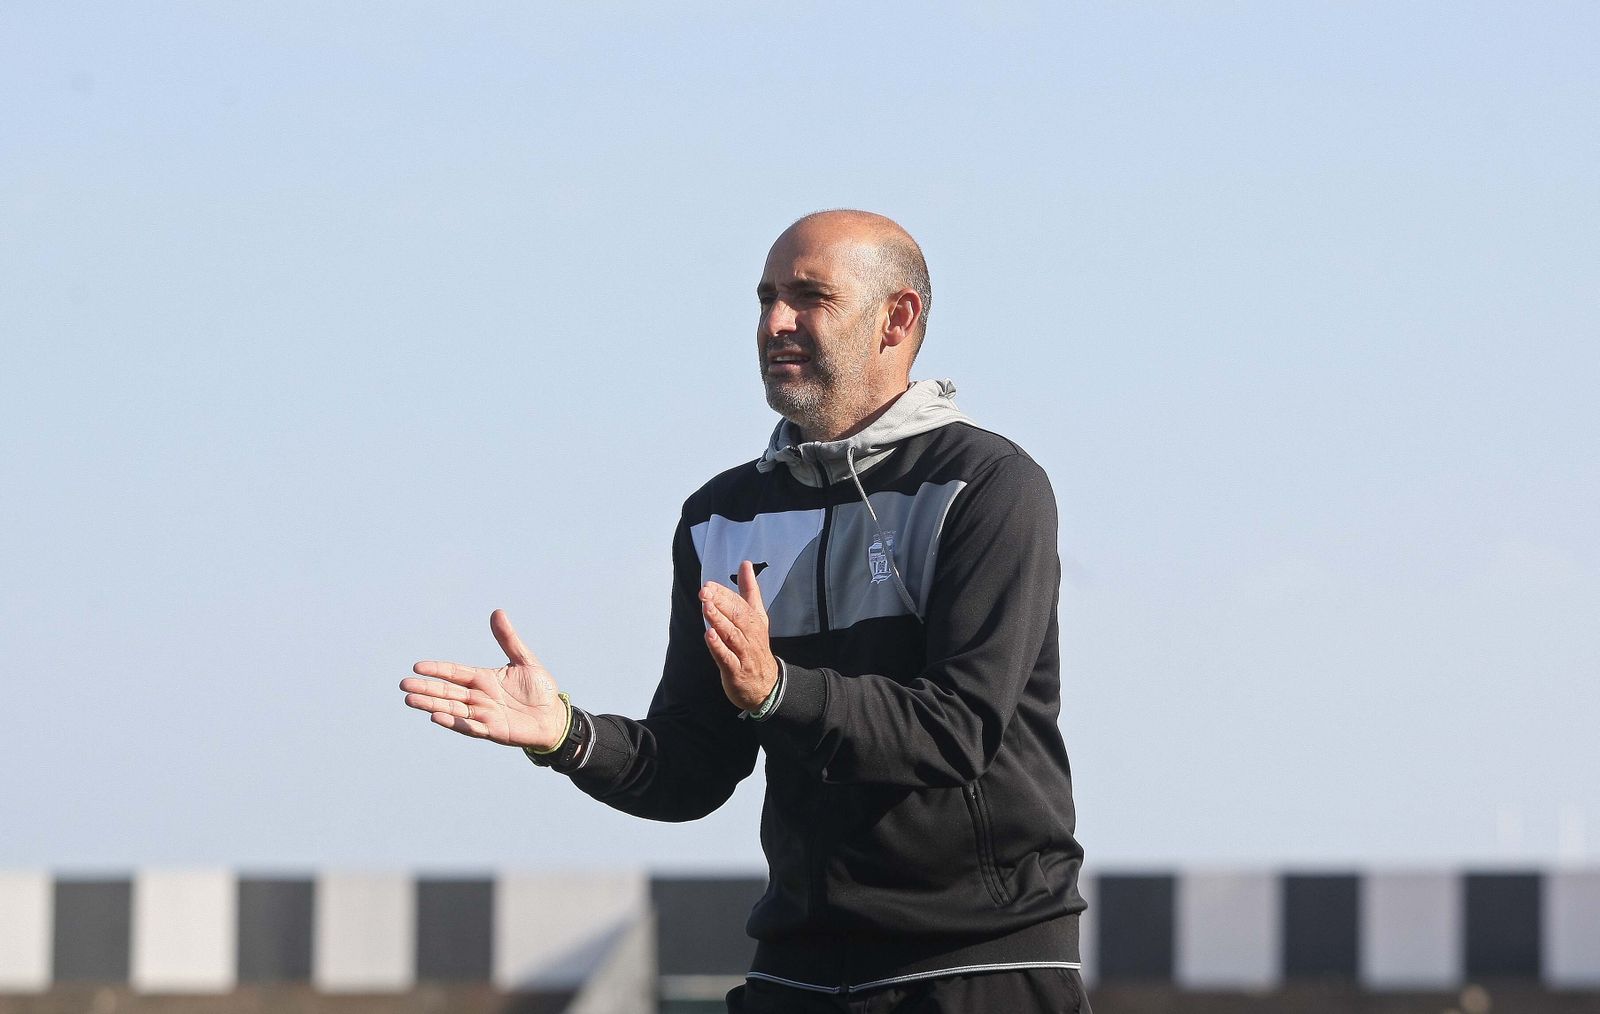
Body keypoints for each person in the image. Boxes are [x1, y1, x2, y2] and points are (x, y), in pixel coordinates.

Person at [400, 210, 1088, 1013]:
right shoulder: (720, 514)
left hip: (978, 967)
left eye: (809, 297)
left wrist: (777, 690)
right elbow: (693, 767)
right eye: (765, 297)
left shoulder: (988, 485)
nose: (775, 322)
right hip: (798, 967)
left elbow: (959, 727)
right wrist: (566, 735)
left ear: (897, 320)